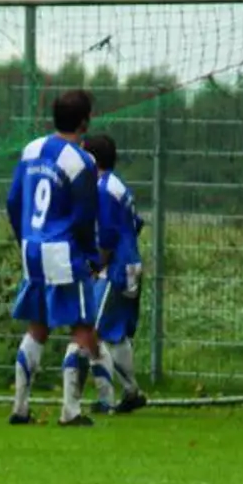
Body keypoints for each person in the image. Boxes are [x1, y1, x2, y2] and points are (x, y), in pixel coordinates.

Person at [6, 90, 104, 427]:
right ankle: (71, 411)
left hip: (32, 250)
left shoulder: (31, 150)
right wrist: (91, 256)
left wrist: (25, 240)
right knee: (82, 327)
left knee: (38, 325)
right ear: (84, 121)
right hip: (63, 252)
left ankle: (20, 407)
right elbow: (84, 215)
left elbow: (13, 200)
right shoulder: (82, 161)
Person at [80, 133, 150, 415]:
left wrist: (98, 265)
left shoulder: (102, 189)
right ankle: (130, 393)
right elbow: (136, 223)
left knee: (91, 331)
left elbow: (107, 236)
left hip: (117, 268)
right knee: (116, 333)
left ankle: (106, 398)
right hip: (130, 264)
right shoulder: (117, 186)